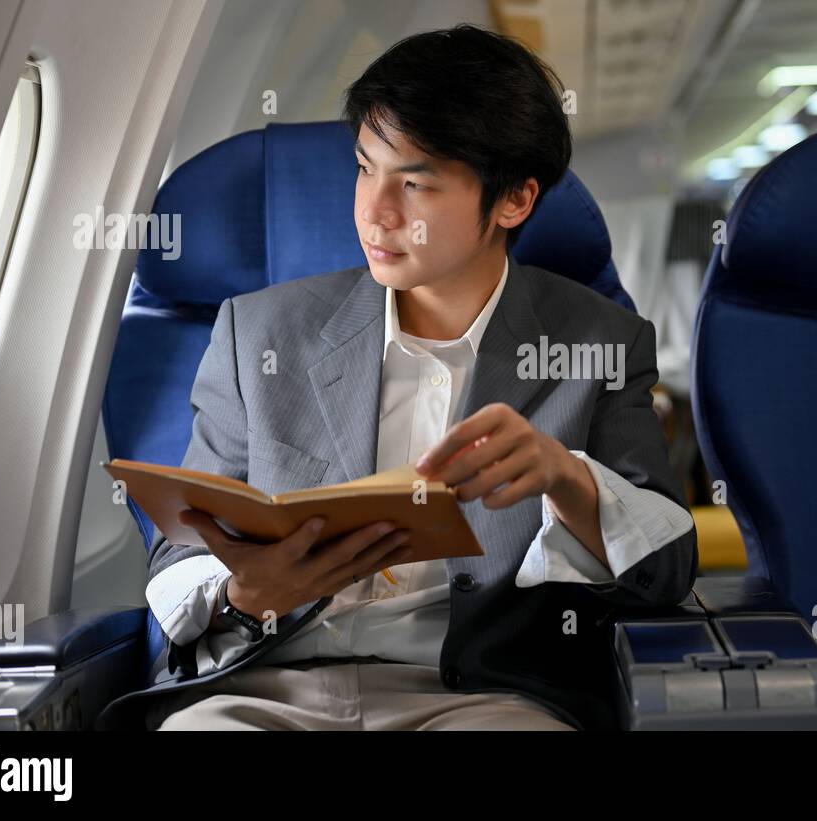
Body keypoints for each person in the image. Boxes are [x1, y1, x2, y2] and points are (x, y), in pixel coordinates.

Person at [97, 23, 696, 732]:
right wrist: (243, 594)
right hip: (265, 689)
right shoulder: (257, 333)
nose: (374, 212)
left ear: (513, 200)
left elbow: (669, 569)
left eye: (413, 183)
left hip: (484, 698)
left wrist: (567, 476)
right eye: (364, 168)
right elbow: (178, 557)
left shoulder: (596, 341)